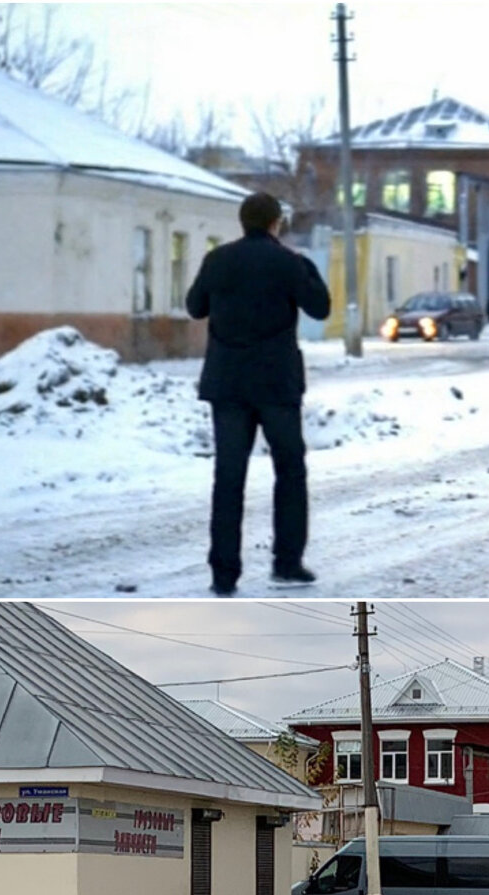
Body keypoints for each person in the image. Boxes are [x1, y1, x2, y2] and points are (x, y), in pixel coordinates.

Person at [186, 192, 331, 596]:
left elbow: (195, 307)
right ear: (276, 223)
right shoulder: (290, 263)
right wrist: (306, 269)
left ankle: (223, 574)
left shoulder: (218, 260)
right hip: (276, 384)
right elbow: (320, 308)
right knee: (290, 470)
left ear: (241, 221)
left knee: (228, 477)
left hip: (227, 383)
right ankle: (286, 563)